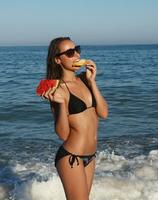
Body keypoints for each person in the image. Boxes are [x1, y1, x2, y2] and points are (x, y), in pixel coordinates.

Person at [42, 37, 108, 200]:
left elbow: (104, 113)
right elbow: (63, 135)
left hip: (90, 156)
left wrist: (92, 82)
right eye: (70, 53)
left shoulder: (85, 80)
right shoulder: (58, 89)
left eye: (77, 49)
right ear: (58, 60)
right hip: (72, 157)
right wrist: (62, 105)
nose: (76, 55)